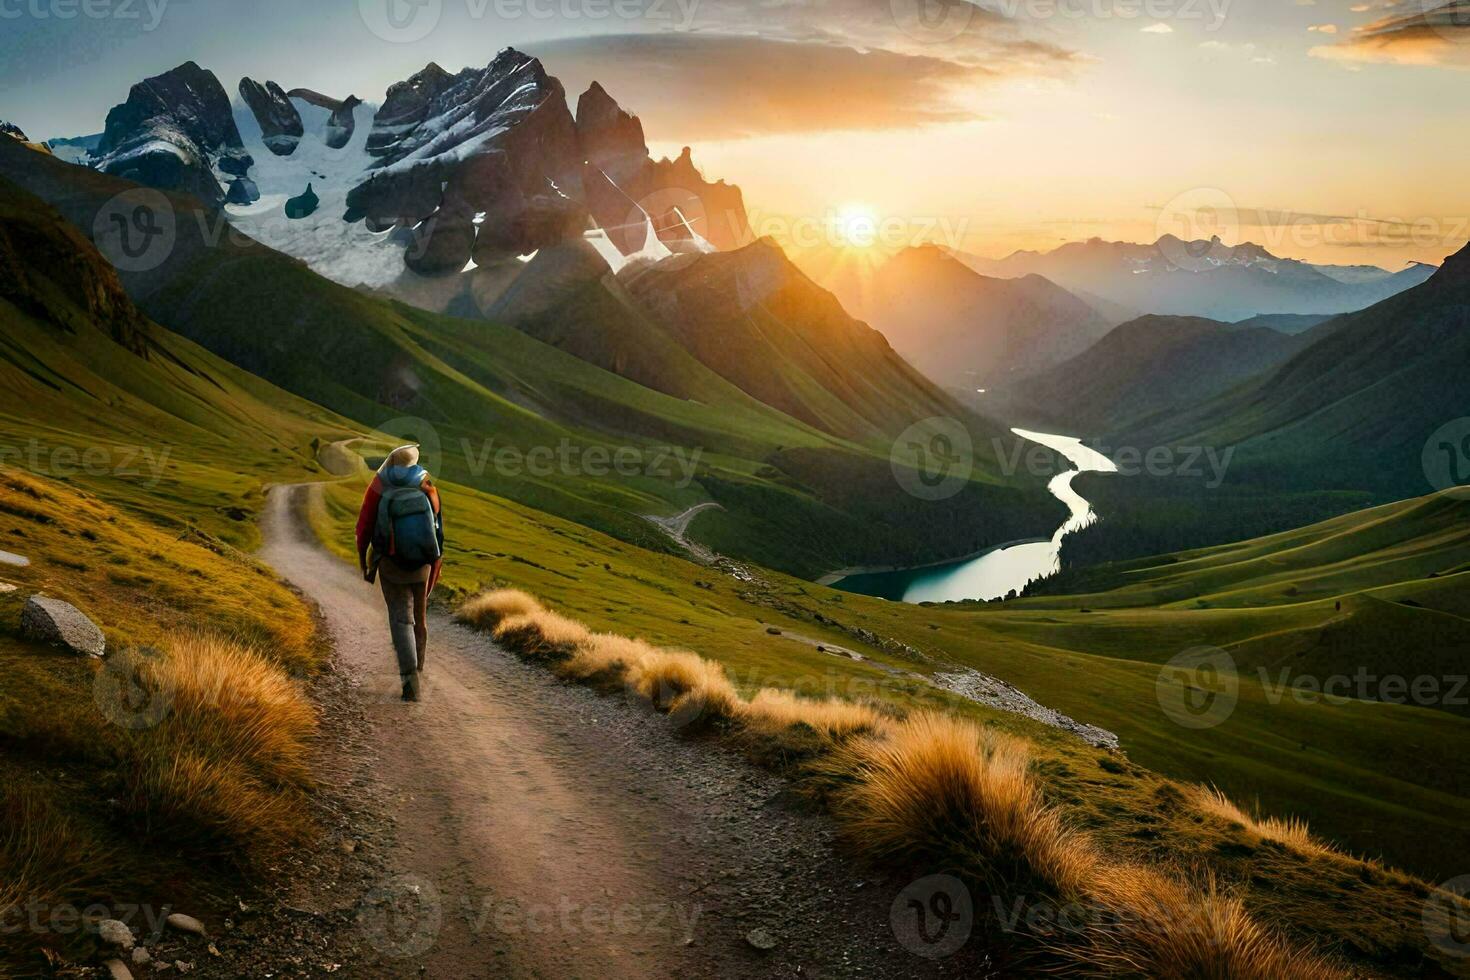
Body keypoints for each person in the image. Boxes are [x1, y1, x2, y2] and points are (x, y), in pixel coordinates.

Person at [356, 445, 444, 701]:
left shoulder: (379, 486)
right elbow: (438, 530)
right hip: (423, 564)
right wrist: (434, 566)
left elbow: (364, 528)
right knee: (420, 618)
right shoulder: (426, 484)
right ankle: (418, 669)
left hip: (391, 562)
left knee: (400, 618)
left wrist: (364, 562)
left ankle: (411, 682)